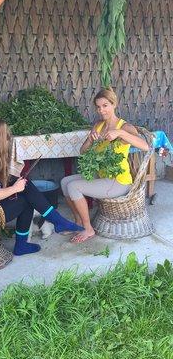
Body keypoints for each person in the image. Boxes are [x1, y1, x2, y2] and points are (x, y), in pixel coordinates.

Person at [0, 119, 83, 256]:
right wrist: (15, 188)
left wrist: (14, 184)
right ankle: (30, 240)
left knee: (23, 185)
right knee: (25, 198)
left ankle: (56, 221)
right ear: (3, 141)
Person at [61, 87, 149, 243]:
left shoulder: (125, 127)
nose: (101, 110)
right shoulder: (98, 126)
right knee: (65, 182)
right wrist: (90, 139)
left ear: (114, 104)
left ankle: (88, 229)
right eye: (98, 106)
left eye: (105, 105)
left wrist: (120, 133)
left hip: (119, 181)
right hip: (102, 175)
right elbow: (83, 152)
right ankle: (79, 221)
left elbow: (145, 146)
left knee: (74, 187)